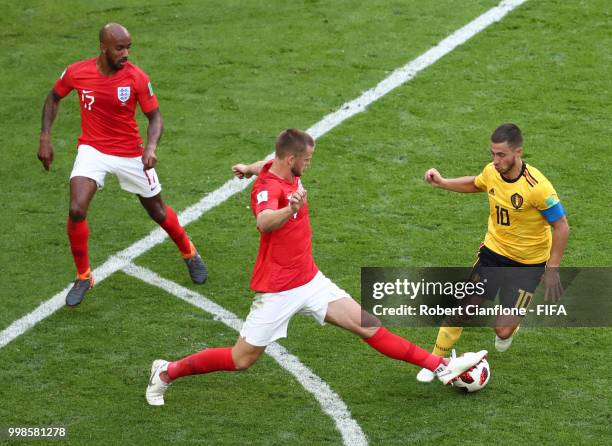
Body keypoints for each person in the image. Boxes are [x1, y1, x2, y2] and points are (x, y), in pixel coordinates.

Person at [145, 129, 487, 406]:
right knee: (241, 359)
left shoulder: (274, 167)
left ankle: (442, 365)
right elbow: (264, 222)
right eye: (306, 160)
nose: (309, 165)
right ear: (291, 159)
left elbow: (265, 162)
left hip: (309, 280)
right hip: (278, 290)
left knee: (369, 327)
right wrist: (289, 210)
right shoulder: (269, 188)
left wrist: (247, 168)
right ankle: (166, 372)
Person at [37, 23, 207, 307]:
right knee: (77, 208)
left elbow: (155, 118)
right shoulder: (78, 72)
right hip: (92, 149)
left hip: (130, 153)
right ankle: (84, 276)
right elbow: (54, 97)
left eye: (128, 47)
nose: (126, 53)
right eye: (120, 48)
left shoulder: (136, 78)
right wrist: (45, 138)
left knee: (158, 211)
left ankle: (190, 253)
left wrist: (151, 147)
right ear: (103, 47)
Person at [416, 123, 569, 383]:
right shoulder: (491, 172)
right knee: (463, 308)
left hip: (528, 266)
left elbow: (561, 226)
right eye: (492, 154)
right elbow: (477, 184)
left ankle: (510, 327)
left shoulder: (538, 188)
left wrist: (552, 269)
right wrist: (442, 182)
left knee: (503, 329)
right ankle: (435, 363)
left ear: (518, 152)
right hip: (493, 254)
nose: (495, 160)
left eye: (501, 155)